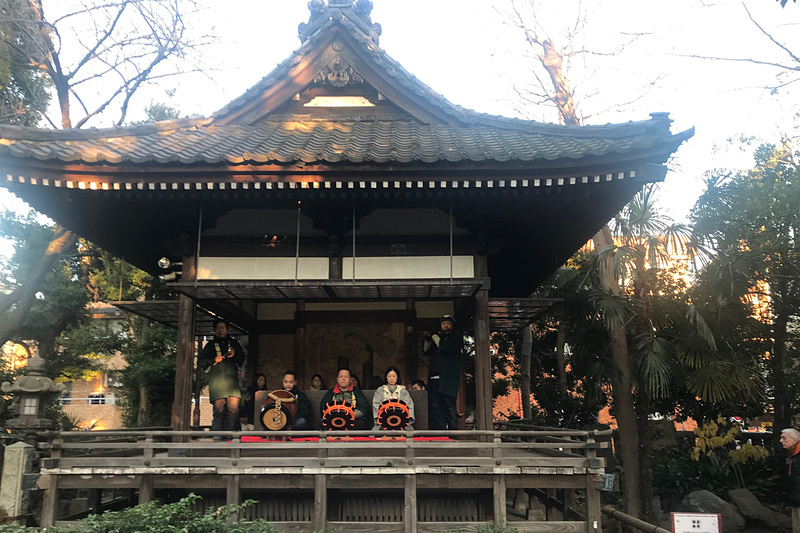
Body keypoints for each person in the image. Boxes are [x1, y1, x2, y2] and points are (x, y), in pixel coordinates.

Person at [198, 318, 246, 435]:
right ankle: (217, 436)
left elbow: (242, 359)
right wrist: (213, 359)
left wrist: (234, 355)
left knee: (233, 410)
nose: (220, 330)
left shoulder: (234, 344)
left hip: (232, 384)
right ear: (214, 330)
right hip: (217, 383)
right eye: (218, 328)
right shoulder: (210, 345)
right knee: (218, 411)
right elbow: (200, 362)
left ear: (227, 329)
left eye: (222, 328)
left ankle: (228, 436)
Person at [422, 315, 463, 431]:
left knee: (449, 406)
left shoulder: (454, 339)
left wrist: (434, 335)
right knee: (436, 406)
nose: (445, 326)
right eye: (443, 323)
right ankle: (441, 433)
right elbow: (426, 351)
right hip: (434, 377)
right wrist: (428, 338)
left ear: (452, 325)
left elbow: (443, 347)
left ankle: (453, 434)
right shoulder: (438, 339)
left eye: (448, 323)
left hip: (448, 379)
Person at [372, 366, 414, 430]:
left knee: (407, 431)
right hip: (384, 419)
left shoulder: (403, 390)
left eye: (394, 376)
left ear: (397, 377)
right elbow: (376, 404)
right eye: (389, 376)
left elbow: (408, 405)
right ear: (386, 377)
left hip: (401, 419)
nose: (391, 378)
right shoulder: (380, 390)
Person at [781, 427, 800, 532]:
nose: (781, 441)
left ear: (794, 440)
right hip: (796, 499)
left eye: (784, 438)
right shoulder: (794, 455)